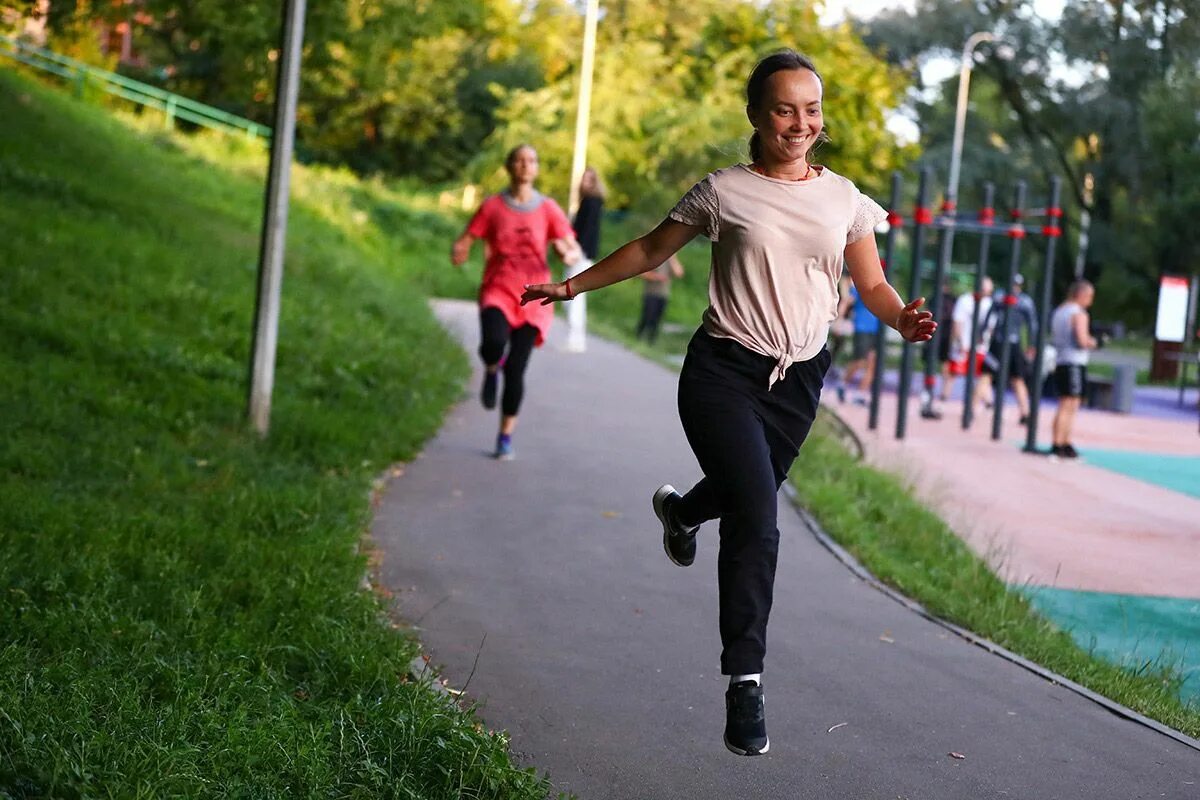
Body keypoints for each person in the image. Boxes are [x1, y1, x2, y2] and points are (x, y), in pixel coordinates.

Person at [521, 50, 935, 756]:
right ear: (756, 116)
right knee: (759, 514)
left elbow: (870, 286)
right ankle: (745, 680)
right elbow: (651, 248)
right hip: (721, 373)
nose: (799, 122)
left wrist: (901, 319)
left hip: (798, 381)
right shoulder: (725, 192)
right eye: (783, 108)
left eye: (810, 108)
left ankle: (681, 511)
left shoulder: (845, 199)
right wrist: (572, 286)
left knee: (751, 491)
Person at [451, 144, 582, 460]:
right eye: (519, 160)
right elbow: (468, 237)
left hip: (535, 296)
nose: (526, 165)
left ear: (537, 169)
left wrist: (569, 254)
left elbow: (570, 246)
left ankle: (505, 436)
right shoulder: (492, 207)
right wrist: (460, 249)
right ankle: (492, 366)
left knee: (518, 371)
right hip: (498, 288)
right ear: (509, 167)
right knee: (493, 344)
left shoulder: (549, 208)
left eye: (532, 160)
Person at [977, 273, 1038, 424]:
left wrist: (1031, 344)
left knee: (1013, 378)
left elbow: (1032, 325)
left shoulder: (1003, 297)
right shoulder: (1018, 300)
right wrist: (1032, 343)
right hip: (1006, 341)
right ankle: (1024, 412)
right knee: (992, 376)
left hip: (1005, 341)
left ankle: (1025, 413)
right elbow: (1032, 324)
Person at [1050, 280, 1098, 459]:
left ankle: (1061, 441)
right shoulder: (1079, 314)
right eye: (1089, 297)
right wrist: (1095, 342)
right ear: (1081, 295)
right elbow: (1082, 340)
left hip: (1061, 359)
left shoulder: (1059, 311)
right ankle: (1061, 442)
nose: (1090, 301)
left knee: (1065, 403)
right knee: (1070, 404)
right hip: (1074, 361)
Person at [945, 276, 995, 413]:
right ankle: (944, 398)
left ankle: (987, 401)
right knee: (954, 372)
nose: (987, 292)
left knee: (982, 374)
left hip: (981, 347)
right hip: (965, 344)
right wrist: (959, 341)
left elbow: (991, 327)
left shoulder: (990, 303)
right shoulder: (965, 301)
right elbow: (958, 322)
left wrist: (988, 343)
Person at [834, 280, 878, 404]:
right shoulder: (862, 286)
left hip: (877, 330)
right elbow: (847, 302)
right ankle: (842, 382)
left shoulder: (882, 287)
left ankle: (860, 394)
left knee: (872, 363)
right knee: (859, 361)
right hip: (862, 328)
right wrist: (839, 321)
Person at [636, 254, 685, 343]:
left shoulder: (671, 262)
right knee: (647, 316)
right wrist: (656, 277)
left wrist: (673, 258)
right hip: (650, 293)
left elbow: (679, 273)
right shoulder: (655, 259)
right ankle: (639, 336)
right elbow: (642, 273)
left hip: (663, 295)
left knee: (657, 319)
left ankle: (651, 341)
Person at [572, 166, 606, 261]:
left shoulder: (590, 201)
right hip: (585, 248)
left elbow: (588, 226)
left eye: (588, 179)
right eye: (584, 178)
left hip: (582, 249)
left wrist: (579, 247)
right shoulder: (592, 200)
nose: (584, 182)